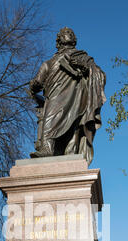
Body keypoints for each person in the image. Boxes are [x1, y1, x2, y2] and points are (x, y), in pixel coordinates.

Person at [29, 27, 106, 164]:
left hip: (76, 100)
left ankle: (67, 153)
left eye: (71, 33)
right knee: (50, 122)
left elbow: (99, 74)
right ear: (59, 40)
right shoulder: (48, 63)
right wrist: (32, 87)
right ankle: (48, 149)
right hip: (54, 98)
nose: (68, 34)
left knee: (73, 127)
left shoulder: (82, 57)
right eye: (65, 33)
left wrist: (84, 66)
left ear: (74, 39)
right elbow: (37, 83)